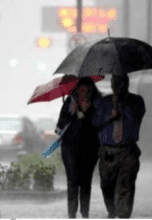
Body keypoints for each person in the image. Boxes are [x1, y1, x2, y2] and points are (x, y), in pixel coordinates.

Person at [92, 74, 146, 218]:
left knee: (126, 187)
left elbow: (136, 117)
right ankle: (112, 211)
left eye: (121, 83)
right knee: (106, 186)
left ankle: (123, 215)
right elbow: (95, 122)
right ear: (111, 85)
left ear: (127, 84)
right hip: (108, 151)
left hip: (127, 150)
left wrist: (122, 107)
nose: (118, 87)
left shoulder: (136, 101)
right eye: (115, 83)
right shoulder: (104, 102)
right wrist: (109, 116)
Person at [55, 77, 102, 219]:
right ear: (77, 90)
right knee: (73, 180)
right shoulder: (70, 102)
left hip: (90, 148)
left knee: (86, 181)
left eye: (89, 90)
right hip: (70, 148)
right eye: (82, 90)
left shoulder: (97, 105)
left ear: (93, 90)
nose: (86, 93)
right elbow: (58, 129)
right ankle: (72, 213)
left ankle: (85, 213)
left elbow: (101, 124)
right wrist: (70, 113)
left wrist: (86, 117)